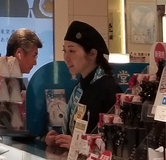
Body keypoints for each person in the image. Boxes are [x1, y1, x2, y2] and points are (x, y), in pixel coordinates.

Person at [46, 21, 120, 151]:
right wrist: (59, 139)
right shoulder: (79, 88)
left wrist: (80, 144)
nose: (66, 57)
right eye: (64, 51)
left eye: (72, 51)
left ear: (92, 53)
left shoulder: (108, 90)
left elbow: (115, 141)